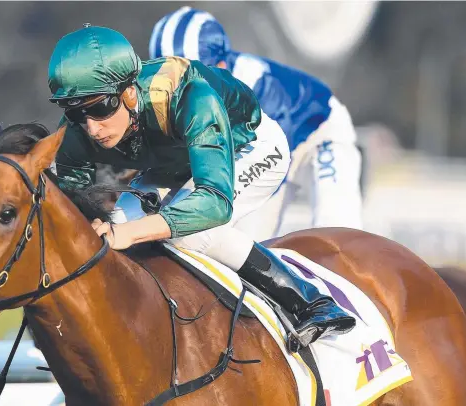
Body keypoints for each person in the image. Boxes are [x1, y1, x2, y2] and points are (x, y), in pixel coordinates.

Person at [48, 24, 355, 352]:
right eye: (77, 112)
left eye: (100, 107)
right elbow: (71, 216)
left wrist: (131, 233)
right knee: (120, 222)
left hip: (249, 147)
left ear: (129, 92)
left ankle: (309, 302)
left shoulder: (193, 95)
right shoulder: (77, 133)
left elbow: (214, 203)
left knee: (188, 231)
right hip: (175, 164)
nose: (92, 126)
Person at [150, 7, 364, 240]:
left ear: (221, 66)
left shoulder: (258, 89)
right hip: (270, 136)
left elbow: (272, 159)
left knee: (336, 229)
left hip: (316, 130)